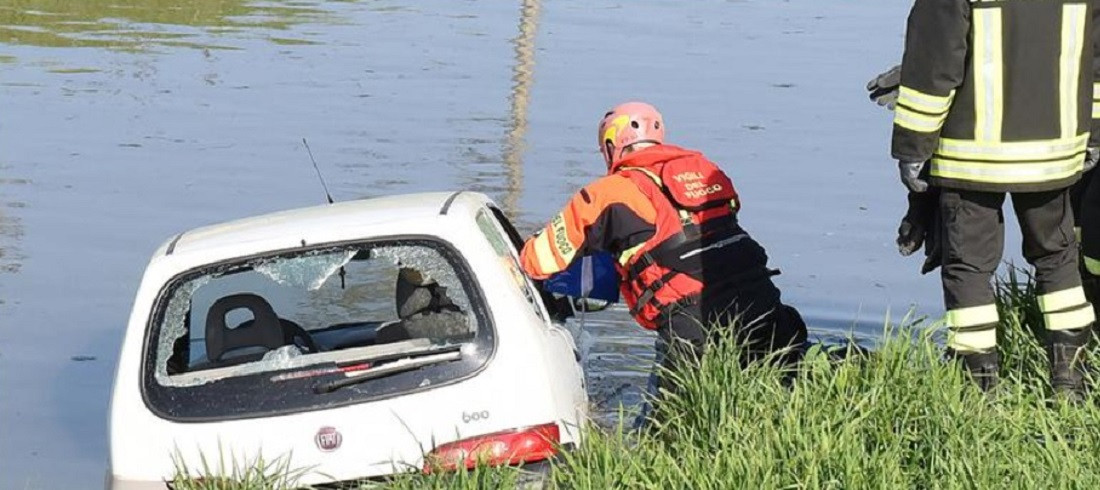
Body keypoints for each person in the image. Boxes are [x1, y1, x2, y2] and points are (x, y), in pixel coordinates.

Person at [518, 101, 808, 416]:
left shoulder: (607, 193)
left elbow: (538, 260)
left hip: (692, 320)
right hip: (761, 299)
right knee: (778, 405)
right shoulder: (704, 169)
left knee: (667, 425)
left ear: (611, 146)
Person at [889, 0, 1098, 397]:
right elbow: (1096, 56)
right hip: (1055, 152)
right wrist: (1094, 131)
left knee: (968, 267)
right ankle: (1070, 383)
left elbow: (934, 64)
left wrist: (912, 148)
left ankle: (978, 391)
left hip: (970, 156)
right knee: (1058, 257)